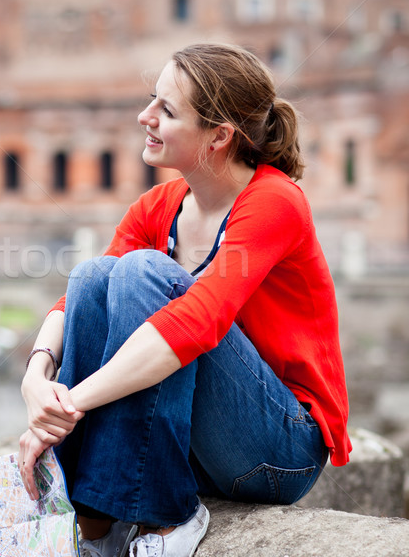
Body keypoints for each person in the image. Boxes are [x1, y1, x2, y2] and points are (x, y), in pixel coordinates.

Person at [18, 43, 351, 557]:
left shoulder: (273, 202)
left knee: (144, 272)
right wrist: (37, 379)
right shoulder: (158, 206)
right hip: (193, 445)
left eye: (166, 111)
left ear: (219, 136)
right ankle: (95, 529)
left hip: (279, 448)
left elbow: (199, 320)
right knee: (95, 275)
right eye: (152, 100)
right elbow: (77, 302)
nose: (144, 117)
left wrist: (68, 406)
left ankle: (165, 520)